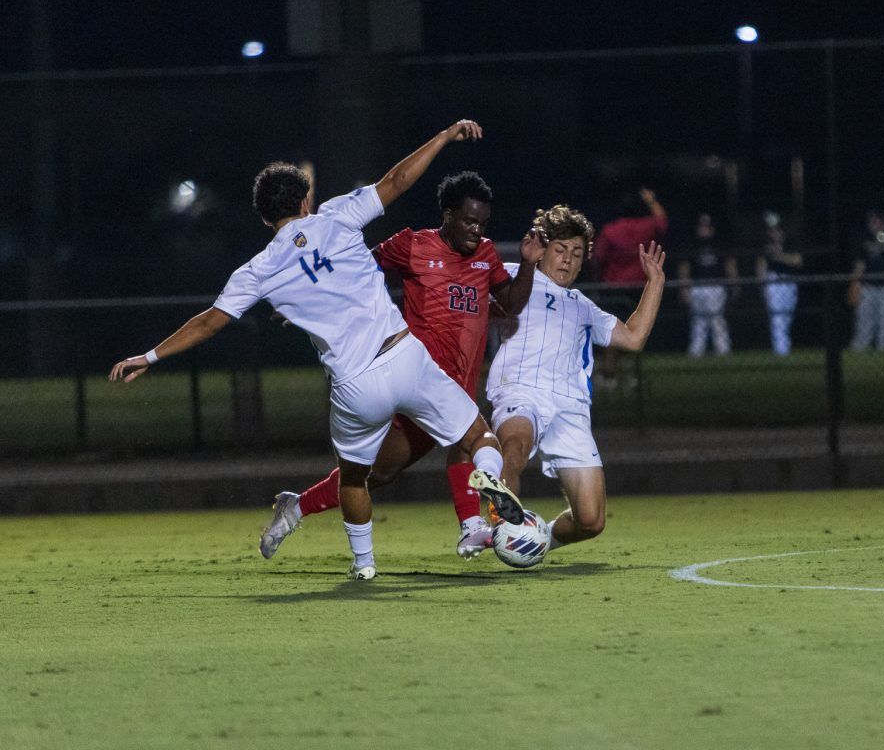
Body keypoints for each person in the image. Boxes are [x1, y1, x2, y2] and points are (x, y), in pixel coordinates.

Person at [109, 120, 526, 581]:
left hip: (355, 385)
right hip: (405, 356)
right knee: (478, 437)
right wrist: (445, 137)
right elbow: (396, 181)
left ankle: (365, 565)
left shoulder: (259, 270)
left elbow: (208, 323)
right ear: (306, 201)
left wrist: (148, 357)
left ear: (265, 217)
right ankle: (487, 479)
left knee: (354, 477)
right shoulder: (335, 215)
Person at [259, 171, 546, 563]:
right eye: (468, 220)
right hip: (409, 377)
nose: (476, 230)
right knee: (381, 472)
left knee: (434, 454)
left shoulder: (486, 255)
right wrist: (308, 301)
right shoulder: (412, 244)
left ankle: (470, 525)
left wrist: (528, 265)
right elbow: (348, 267)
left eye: (482, 223)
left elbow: (511, 303)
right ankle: (470, 526)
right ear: (447, 214)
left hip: (452, 384)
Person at [488, 205, 665, 551]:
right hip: (519, 390)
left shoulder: (584, 306)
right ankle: (502, 518)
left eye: (577, 253)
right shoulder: (512, 276)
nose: (568, 260)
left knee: (590, 520)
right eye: (560, 250)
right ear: (542, 249)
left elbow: (633, 337)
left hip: (571, 406)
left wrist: (655, 282)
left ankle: (533, 542)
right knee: (516, 444)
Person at [590, 187, 667, 385]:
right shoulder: (646, 226)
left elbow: (598, 257)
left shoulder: (610, 230)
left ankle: (610, 373)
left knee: (612, 333)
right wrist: (651, 201)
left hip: (614, 286)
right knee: (638, 331)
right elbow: (662, 221)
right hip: (639, 287)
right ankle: (634, 375)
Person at [678, 213, 738, 357]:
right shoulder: (693, 244)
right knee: (699, 321)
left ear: (712, 228)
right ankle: (696, 352)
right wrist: (684, 288)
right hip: (698, 286)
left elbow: (730, 264)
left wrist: (734, 283)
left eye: (707, 226)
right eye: (702, 226)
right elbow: (684, 267)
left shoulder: (719, 243)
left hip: (716, 285)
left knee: (717, 319)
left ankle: (723, 351)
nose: (704, 229)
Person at [848, 210, 884, 351]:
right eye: (872, 221)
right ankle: (861, 347)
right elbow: (860, 264)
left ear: (883, 222)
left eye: (878, 221)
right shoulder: (864, 240)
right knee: (864, 321)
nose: (875, 224)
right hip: (868, 286)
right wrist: (854, 284)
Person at [755, 211, 803, 355]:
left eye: (776, 229)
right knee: (777, 318)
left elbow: (798, 261)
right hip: (773, 281)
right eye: (771, 230)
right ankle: (781, 351)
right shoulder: (765, 246)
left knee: (787, 317)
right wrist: (762, 285)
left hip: (789, 281)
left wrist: (778, 256)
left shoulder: (790, 242)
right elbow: (761, 265)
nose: (774, 232)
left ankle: (783, 348)